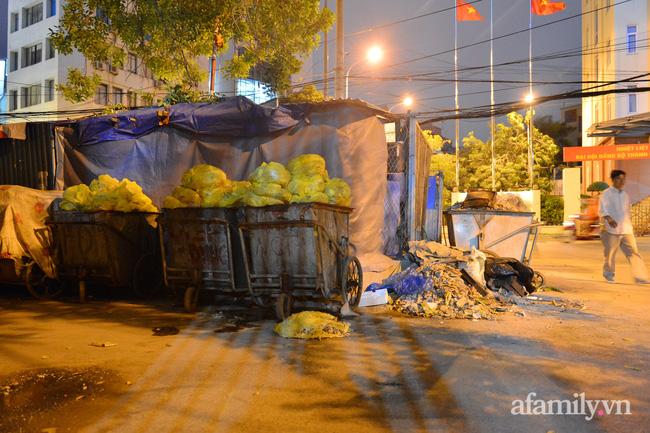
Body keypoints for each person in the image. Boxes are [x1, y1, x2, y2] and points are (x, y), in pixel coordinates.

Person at [598, 169, 649, 284]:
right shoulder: (606, 194)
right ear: (613, 180)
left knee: (634, 253)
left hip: (626, 229)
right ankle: (609, 275)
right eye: (618, 179)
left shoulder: (625, 195)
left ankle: (640, 276)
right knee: (610, 254)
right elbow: (602, 210)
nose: (621, 181)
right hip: (611, 230)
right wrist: (609, 219)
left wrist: (631, 226)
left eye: (623, 179)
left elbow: (627, 212)